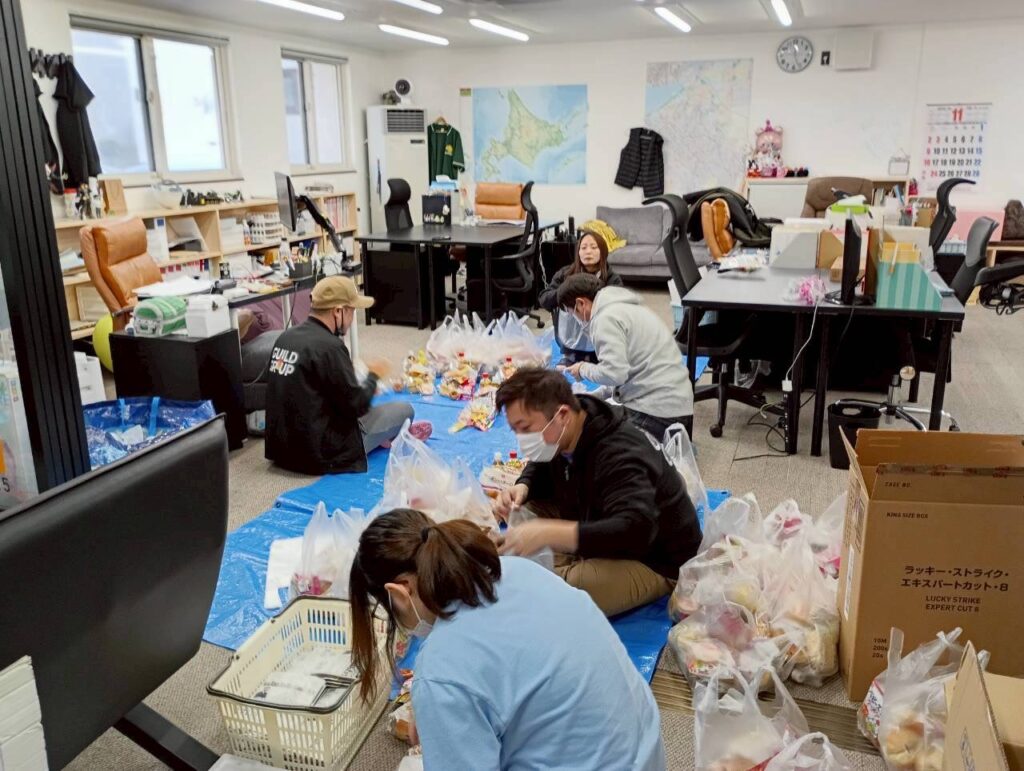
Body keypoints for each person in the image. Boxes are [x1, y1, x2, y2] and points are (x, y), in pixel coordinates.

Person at [349, 508, 666, 771]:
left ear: (398, 593)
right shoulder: (516, 570)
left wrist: (439, 705)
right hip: (644, 749)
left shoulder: (443, 670)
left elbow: (459, 674)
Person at [492, 368, 702, 616]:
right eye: (515, 430)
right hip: (595, 513)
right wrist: (523, 485)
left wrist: (550, 533)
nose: (522, 439)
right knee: (521, 510)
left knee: (559, 594)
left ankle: (566, 564)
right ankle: (563, 557)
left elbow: (635, 529)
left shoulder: (620, 454)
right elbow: (542, 461)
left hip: (654, 557)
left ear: (562, 415)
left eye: (525, 428)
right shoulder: (572, 423)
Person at [264, 275, 412, 474]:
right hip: (319, 454)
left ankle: (381, 438)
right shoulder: (330, 346)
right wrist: (373, 376)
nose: (352, 320)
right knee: (404, 410)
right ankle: (382, 438)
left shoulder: (286, 337)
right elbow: (356, 406)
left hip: (281, 450)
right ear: (338, 311)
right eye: (352, 311)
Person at [557, 272, 693, 439]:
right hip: (676, 404)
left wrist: (582, 369)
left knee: (593, 435)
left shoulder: (604, 319)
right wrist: (595, 396)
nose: (575, 319)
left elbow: (615, 374)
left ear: (580, 303)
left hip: (659, 412)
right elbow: (625, 370)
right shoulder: (622, 305)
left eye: (572, 313)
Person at [538, 230, 624, 364]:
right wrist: (564, 291)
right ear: (578, 252)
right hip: (569, 345)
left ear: (603, 252)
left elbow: (619, 310)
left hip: (600, 348)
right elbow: (544, 299)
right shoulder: (565, 274)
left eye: (593, 247)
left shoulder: (612, 279)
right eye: (583, 248)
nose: (588, 251)